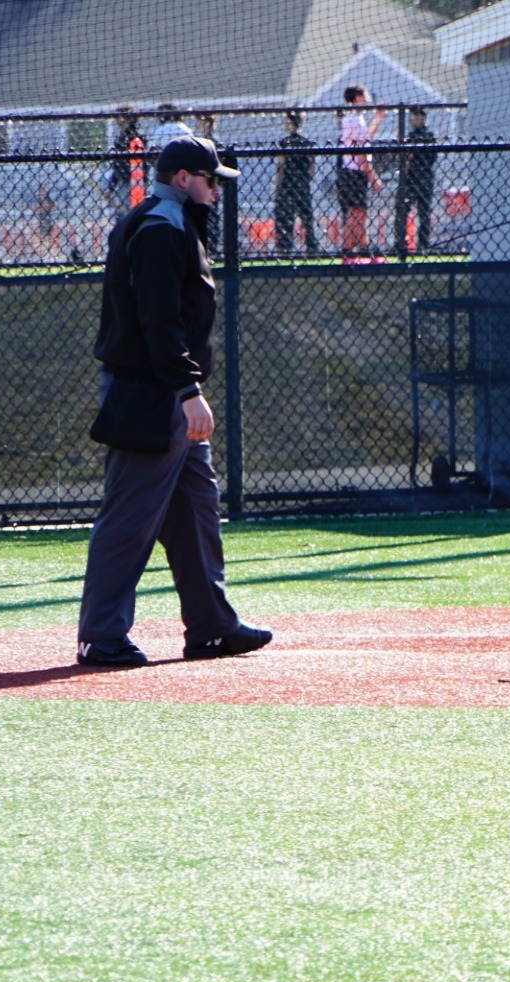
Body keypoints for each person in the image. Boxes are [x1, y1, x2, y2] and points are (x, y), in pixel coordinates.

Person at [77, 136, 272, 667]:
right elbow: (158, 321)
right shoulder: (160, 227)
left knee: (196, 512)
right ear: (183, 179)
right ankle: (101, 635)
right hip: (152, 394)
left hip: (166, 392)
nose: (216, 190)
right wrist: (188, 391)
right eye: (210, 180)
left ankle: (211, 627)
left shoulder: (170, 220)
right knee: (131, 517)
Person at [338, 85, 388, 261]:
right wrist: (373, 177)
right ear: (357, 97)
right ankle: (357, 248)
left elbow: (366, 139)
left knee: (358, 211)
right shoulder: (354, 120)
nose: (367, 99)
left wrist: (378, 118)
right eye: (365, 95)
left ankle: (355, 249)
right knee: (357, 212)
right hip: (354, 172)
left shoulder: (356, 118)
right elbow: (361, 153)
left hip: (352, 171)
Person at [272, 111, 318, 254]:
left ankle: (285, 247)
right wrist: (306, 179)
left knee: (285, 217)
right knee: (307, 217)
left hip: (287, 183)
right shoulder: (307, 143)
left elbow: (281, 165)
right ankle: (311, 246)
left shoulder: (284, 143)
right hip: (303, 183)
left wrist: (278, 185)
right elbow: (312, 166)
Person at [395, 108, 438, 257]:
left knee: (403, 210)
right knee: (424, 213)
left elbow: (408, 158)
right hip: (426, 177)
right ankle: (423, 245)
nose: (411, 120)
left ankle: (400, 244)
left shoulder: (413, 137)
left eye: (413, 116)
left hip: (412, 178)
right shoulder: (430, 137)